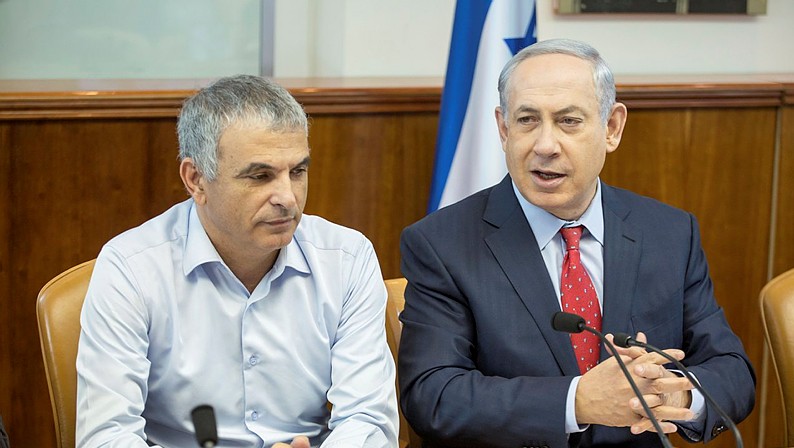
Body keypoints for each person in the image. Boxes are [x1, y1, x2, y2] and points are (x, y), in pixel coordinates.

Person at [398, 39, 755, 447]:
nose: (545, 145)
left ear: (611, 128)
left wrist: (677, 393)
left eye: (568, 121)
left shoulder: (670, 233)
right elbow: (433, 396)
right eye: (528, 120)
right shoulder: (442, 244)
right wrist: (577, 401)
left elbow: (733, 372)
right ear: (503, 128)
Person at [76, 75, 398, 448]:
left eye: (298, 172)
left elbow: (367, 418)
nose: (288, 198)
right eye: (260, 176)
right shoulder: (131, 269)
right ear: (196, 179)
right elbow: (107, 437)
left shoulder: (346, 259)